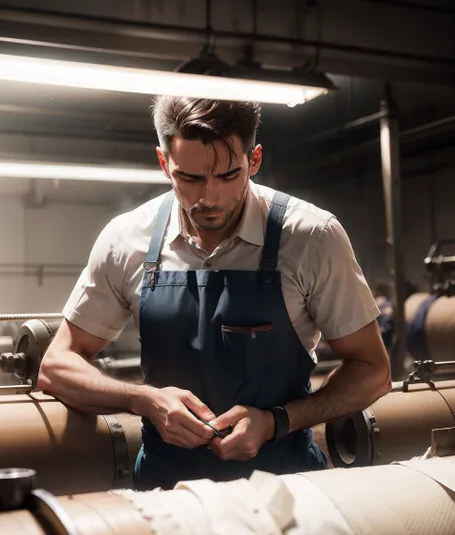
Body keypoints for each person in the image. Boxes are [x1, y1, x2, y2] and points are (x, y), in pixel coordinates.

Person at [38, 96, 391, 490]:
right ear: (163, 163)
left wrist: (278, 422)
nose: (210, 197)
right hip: (164, 494)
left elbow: (373, 371)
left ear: (254, 160)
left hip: (285, 488)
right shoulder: (126, 241)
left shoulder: (311, 238)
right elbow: (56, 365)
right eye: (189, 178)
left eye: (228, 175)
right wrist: (142, 400)